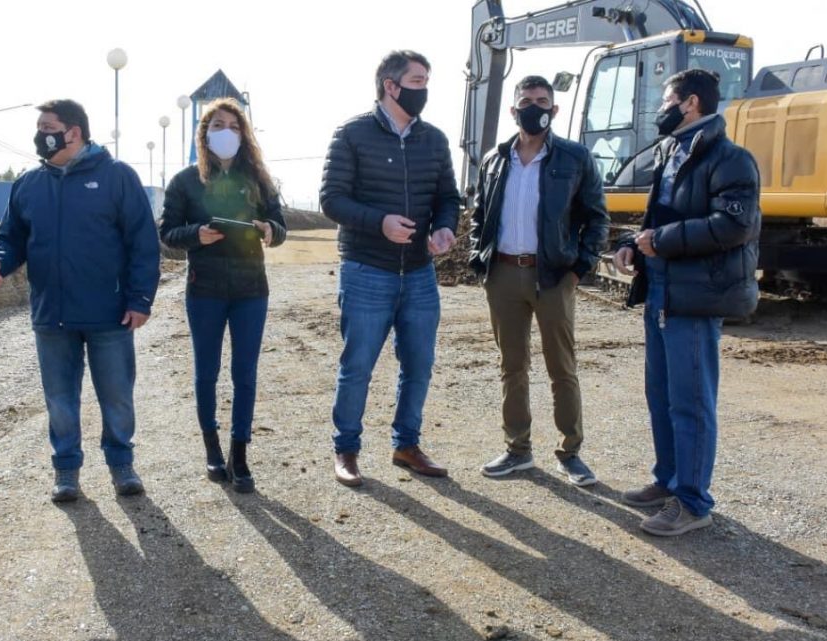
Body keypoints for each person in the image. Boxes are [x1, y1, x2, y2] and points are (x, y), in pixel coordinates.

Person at [0, 99, 160, 501]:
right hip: (52, 316)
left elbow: (143, 244)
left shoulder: (117, 177)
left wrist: (140, 299)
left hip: (110, 314)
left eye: (47, 125)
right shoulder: (28, 184)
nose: (39, 133)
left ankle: (121, 465)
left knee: (116, 395)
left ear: (74, 132)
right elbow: (11, 239)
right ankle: (66, 472)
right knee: (60, 400)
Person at [614, 69, 760, 536]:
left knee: (691, 402)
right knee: (662, 396)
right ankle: (668, 481)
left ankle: (693, 502)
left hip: (695, 297)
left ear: (691, 102)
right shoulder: (672, 152)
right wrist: (634, 245)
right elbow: (660, 216)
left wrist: (665, 240)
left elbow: (735, 226)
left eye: (666, 98)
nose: (661, 107)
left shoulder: (731, 159)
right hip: (661, 290)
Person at [320, 50, 461, 487]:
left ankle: (407, 445)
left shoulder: (434, 140)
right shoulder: (352, 134)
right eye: (417, 80)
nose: (425, 88)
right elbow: (332, 200)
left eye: (426, 80)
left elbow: (447, 197)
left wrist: (444, 228)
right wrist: (379, 223)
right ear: (391, 85)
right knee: (357, 365)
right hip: (367, 270)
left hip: (419, 273)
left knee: (418, 364)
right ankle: (346, 450)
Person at [468, 75, 609, 487]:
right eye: (526, 101)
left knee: (561, 367)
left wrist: (578, 269)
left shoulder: (574, 158)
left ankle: (571, 452)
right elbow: (479, 216)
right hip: (504, 274)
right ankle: (518, 450)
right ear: (513, 111)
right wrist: (482, 260)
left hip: (553, 277)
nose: (535, 107)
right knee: (512, 366)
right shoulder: (495, 160)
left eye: (542, 100)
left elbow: (596, 217)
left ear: (555, 108)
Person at [159, 98, 287, 494]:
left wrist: (269, 230)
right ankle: (212, 447)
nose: (226, 132)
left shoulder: (261, 180)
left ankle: (240, 452)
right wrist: (195, 234)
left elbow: (281, 229)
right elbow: (166, 234)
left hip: (251, 290)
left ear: (244, 133)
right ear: (204, 133)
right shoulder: (185, 181)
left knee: (244, 374)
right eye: (217, 125)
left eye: (233, 125)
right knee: (207, 372)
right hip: (205, 288)